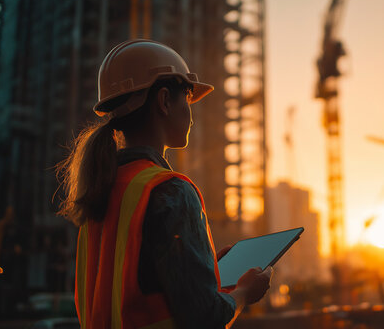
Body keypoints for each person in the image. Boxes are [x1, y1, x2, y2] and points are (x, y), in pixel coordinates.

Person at [57, 39, 272, 329]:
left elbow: (138, 288)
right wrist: (245, 292)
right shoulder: (170, 191)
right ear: (164, 101)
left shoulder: (100, 189)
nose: (192, 113)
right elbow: (205, 318)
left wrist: (206, 269)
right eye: (186, 96)